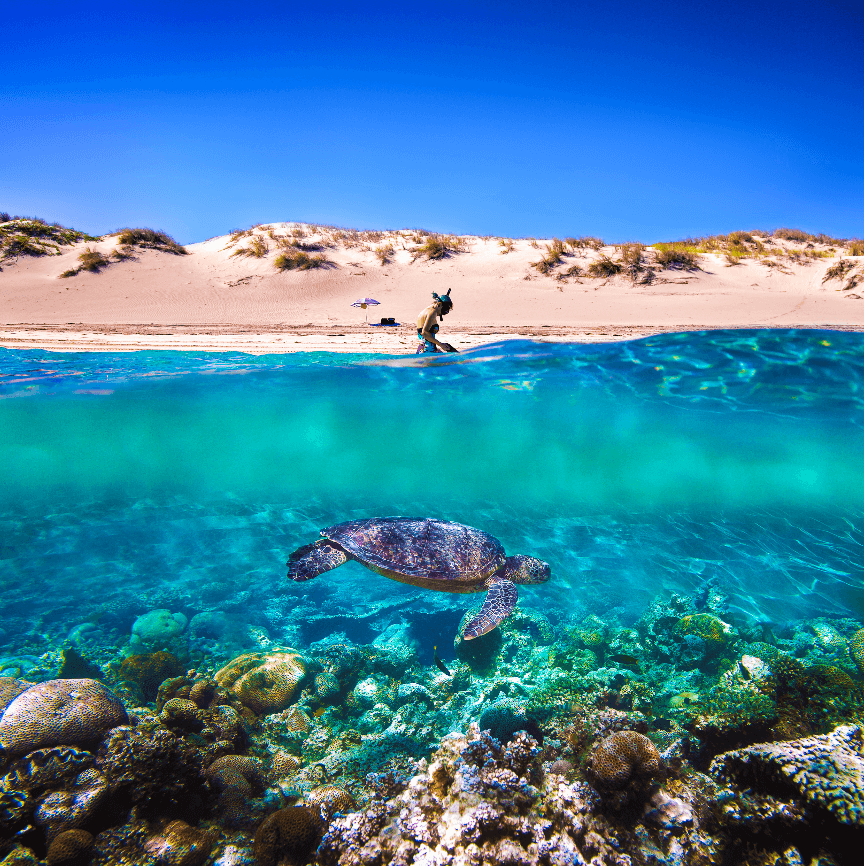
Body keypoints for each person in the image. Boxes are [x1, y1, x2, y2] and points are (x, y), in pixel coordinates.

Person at [416, 289, 457, 353]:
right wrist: (440, 344)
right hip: (428, 351)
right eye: (446, 308)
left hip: (423, 349)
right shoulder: (432, 312)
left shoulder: (427, 310)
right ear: (440, 304)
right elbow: (424, 333)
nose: (446, 311)